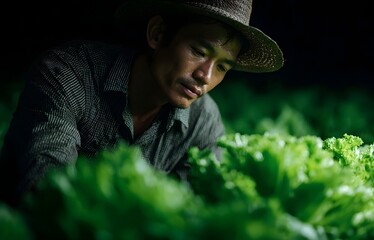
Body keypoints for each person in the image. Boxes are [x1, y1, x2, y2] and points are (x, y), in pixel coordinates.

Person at [0, 0, 284, 207]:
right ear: (158, 34)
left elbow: (195, 216)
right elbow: (46, 194)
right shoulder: (68, 74)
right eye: (199, 51)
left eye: (222, 67)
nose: (205, 77)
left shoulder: (203, 121)